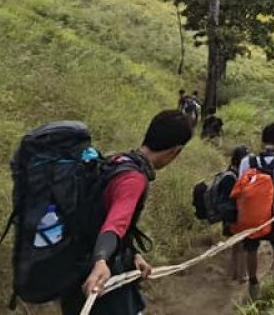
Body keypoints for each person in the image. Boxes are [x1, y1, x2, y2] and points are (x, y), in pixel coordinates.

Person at [60, 110, 193, 315]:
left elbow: (100, 214)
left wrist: (133, 254)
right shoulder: (133, 179)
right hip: (100, 279)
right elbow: (114, 223)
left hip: (74, 269)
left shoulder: (116, 160)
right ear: (175, 151)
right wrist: (101, 260)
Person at [237, 123, 274, 300]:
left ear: (262, 139)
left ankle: (253, 283)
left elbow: (240, 185)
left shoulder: (247, 161)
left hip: (250, 216)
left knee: (251, 248)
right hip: (273, 217)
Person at [222, 145, 251, 281]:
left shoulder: (230, 174)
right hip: (234, 217)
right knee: (242, 246)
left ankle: (235, 273)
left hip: (230, 217)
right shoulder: (232, 178)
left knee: (236, 246)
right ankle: (241, 274)